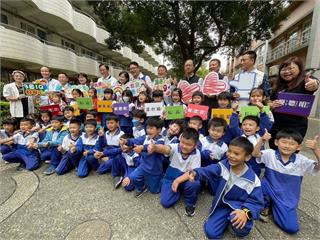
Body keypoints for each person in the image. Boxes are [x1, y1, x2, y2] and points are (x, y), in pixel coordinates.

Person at [184, 137, 264, 239]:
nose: (230, 155)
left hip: (240, 208)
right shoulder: (223, 165)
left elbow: (257, 203)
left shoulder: (253, 180)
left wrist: (245, 213)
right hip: (223, 205)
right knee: (211, 233)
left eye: (236, 154)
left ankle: (237, 225)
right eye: (229, 151)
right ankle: (225, 220)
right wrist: (196, 173)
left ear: (247, 157)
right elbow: (208, 170)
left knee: (241, 230)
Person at [252, 129, 319, 234]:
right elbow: (255, 154)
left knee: (291, 228)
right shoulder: (270, 154)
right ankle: (265, 204)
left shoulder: (302, 160)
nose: (287, 146)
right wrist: (262, 140)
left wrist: (316, 149)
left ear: (299, 147)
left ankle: (274, 206)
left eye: (292, 144)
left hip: (286, 198)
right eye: (284, 142)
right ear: (276, 142)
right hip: (269, 188)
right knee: (259, 185)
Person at [148, 128, 201, 217]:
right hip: (170, 178)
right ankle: (178, 191)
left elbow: (193, 172)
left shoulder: (197, 153)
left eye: (188, 144)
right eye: (182, 142)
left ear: (195, 145)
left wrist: (178, 181)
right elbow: (166, 149)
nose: (184, 146)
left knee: (194, 183)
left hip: (185, 179)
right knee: (165, 202)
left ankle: (190, 203)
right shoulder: (175, 147)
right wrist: (155, 147)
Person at [269, 56, 319, 150]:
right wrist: (271, 105)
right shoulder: (278, 85)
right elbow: (269, 101)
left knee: (289, 155)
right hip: (276, 127)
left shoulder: (304, 82)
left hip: (296, 129)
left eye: (291, 68)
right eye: (284, 69)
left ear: (300, 69)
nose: (287, 71)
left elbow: (313, 84)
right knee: (274, 154)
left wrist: (314, 84)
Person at [121, 117, 165, 197]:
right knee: (133, 177)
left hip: (154, 169)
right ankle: (141, 187)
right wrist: (127, 141)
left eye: (151, 128)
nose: (148, 130)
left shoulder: (161, 140)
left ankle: (162, 179)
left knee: (154, 191)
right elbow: (136, 140)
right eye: (147, 128)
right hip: (143, 166)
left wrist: (142, 148)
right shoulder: (146, 137)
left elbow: (154, 146)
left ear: (159, 130)